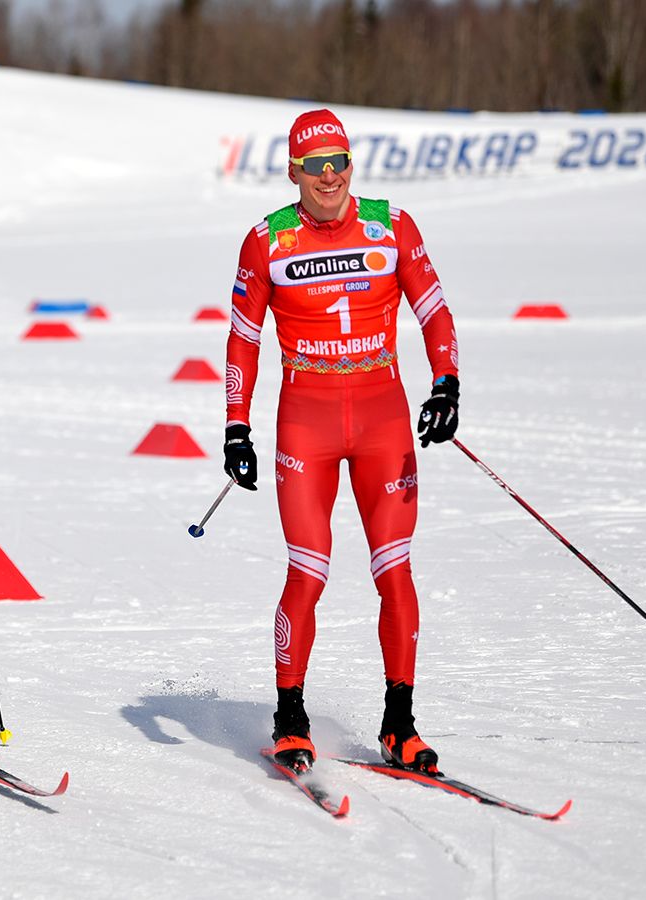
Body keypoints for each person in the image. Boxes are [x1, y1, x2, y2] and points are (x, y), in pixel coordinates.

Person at [223, 109, 459, 775]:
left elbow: (434, 309)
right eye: (315, 165)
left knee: (396, 570)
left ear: (351, 166)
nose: (329, 177)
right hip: (307, 421)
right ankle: (291, 716)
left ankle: (400, 721)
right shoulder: (267, 240)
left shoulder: (391, 224)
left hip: (382, 418)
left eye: (339, 163)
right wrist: (235, 424)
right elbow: (244, 336)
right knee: (310, 569)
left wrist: (447, 385)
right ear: (294, 170)